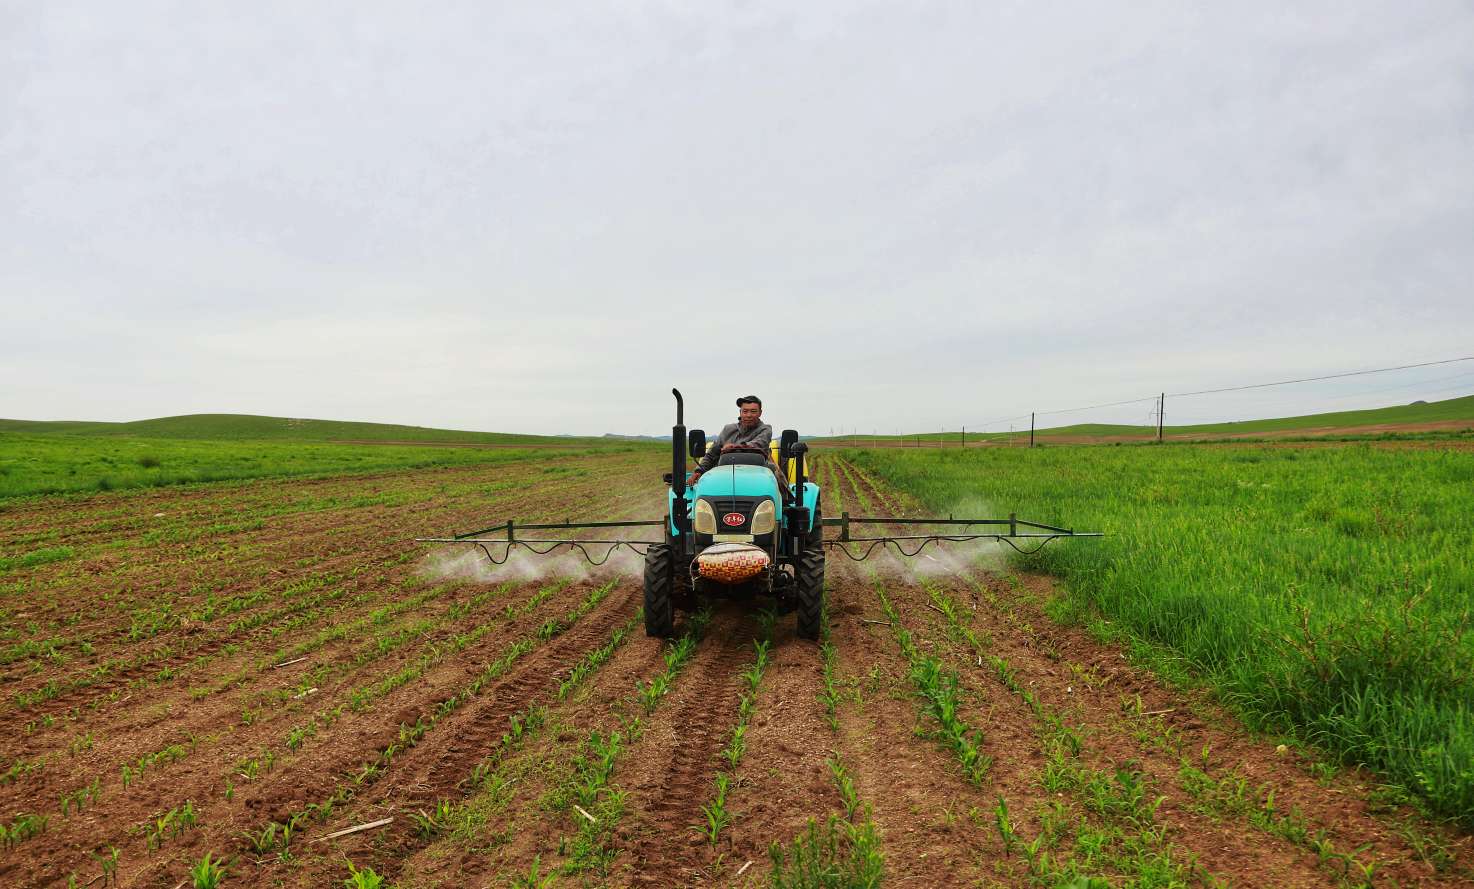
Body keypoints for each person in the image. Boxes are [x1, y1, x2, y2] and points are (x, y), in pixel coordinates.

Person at [687, 395, 790, 492]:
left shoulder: (765, 429)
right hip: (726, 473)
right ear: (740, 412)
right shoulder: (728, 429)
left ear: (760, 413)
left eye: (753, 411)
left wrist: (733, 447)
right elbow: (712, 454)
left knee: (776, 478)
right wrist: (698, 471)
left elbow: (758, 444)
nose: (749, 415)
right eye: (745, 411)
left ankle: (783, 505)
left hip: (758, 474)